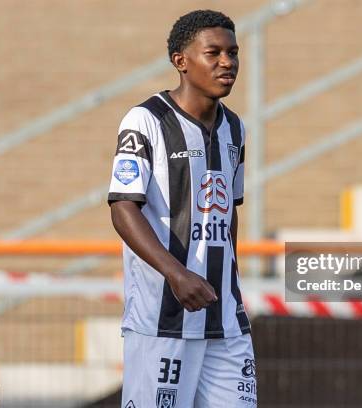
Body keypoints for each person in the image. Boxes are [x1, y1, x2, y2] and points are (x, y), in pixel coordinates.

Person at [108, 10, 256, 408]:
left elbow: (229, 211)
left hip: (225, 323)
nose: (227, 62)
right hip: (163, 321)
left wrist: (230, 284)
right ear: (181, 61)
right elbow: (123, 207)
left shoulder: (236, 128)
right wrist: (177, 274)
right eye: (214, 53)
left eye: (233, 52)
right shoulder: (145, 121)